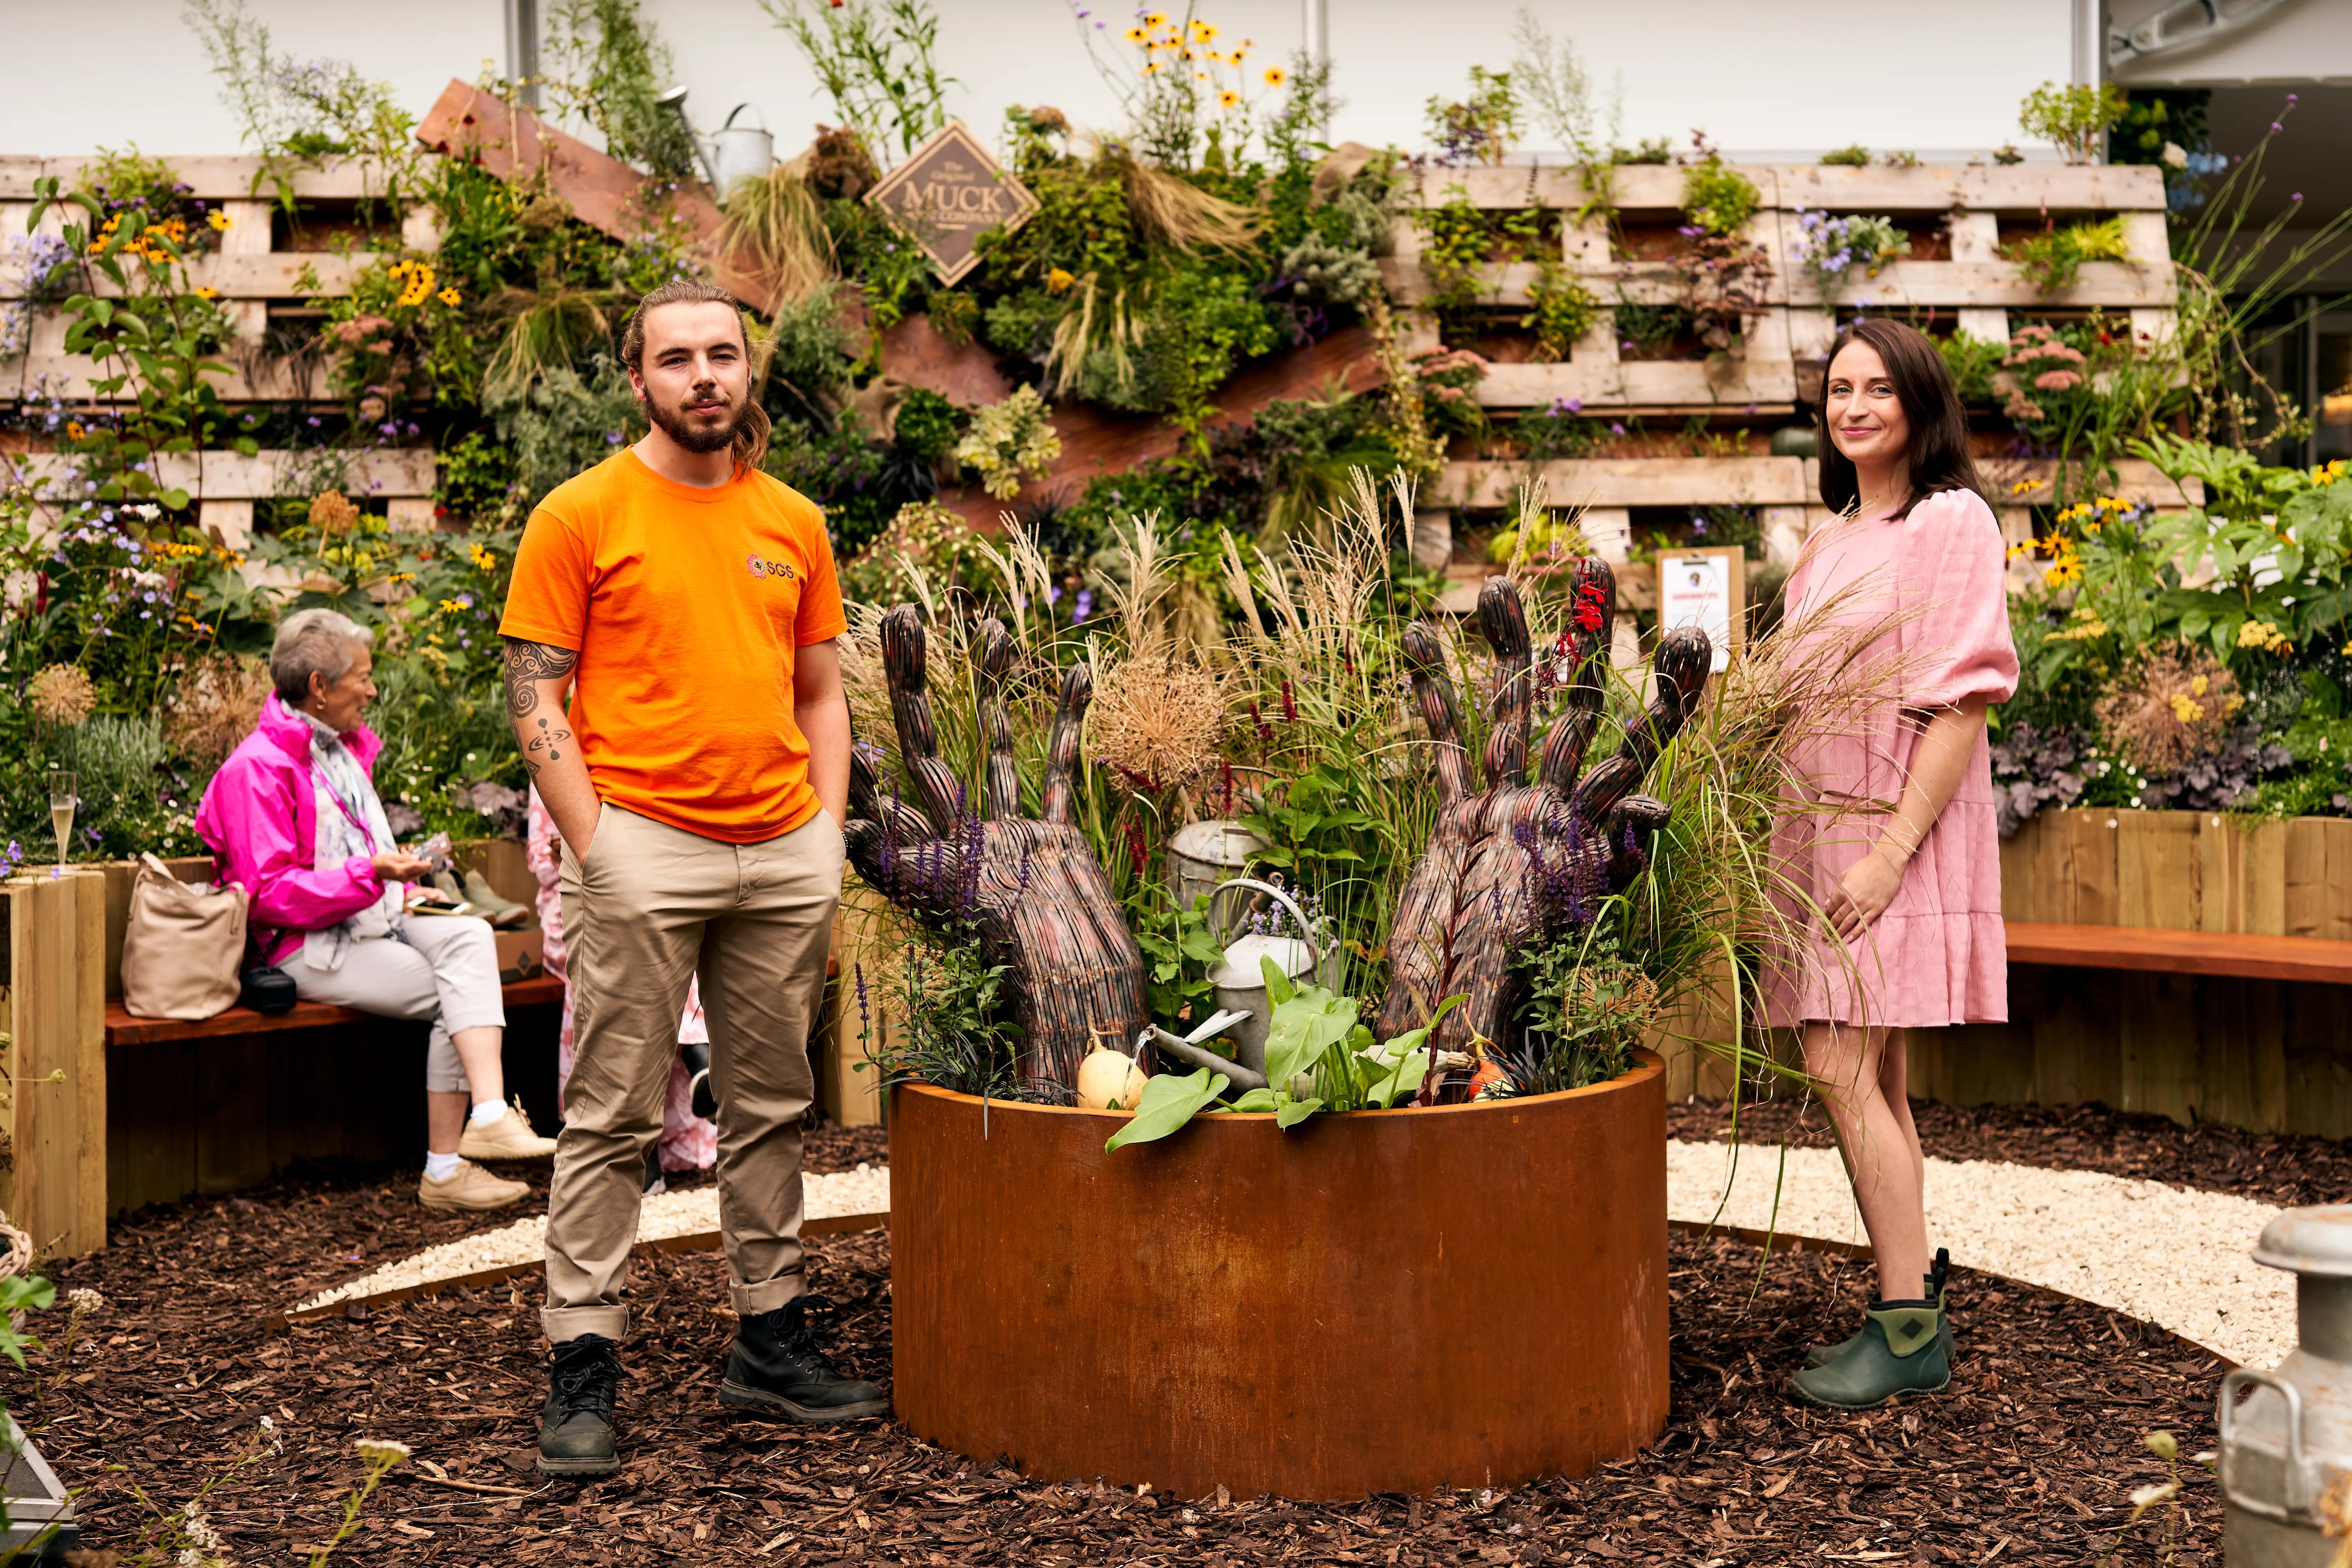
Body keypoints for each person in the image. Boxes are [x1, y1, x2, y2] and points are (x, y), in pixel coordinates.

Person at [500, 278, 882, 1481]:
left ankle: (768, 1344)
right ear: (640, 379)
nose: (704, 376)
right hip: (642, 842)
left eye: (723, 354)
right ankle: (583, 1366)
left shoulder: (793, 521)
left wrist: (823, 835)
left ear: (745, 372)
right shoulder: (580, 513)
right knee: (609, 1113)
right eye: (678, 359)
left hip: (781, 848)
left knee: (767, 1108)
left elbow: (820, 691)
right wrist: (598, 845)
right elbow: (533, 696)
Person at [1763, 318, 2018, 1410]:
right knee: (1875, 1076)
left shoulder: (1947, 518)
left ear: (1918, 402)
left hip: (1884, 831)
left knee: (1833, 1066)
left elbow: (1964, 695)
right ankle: (1907, 1290)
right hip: (1813, 829)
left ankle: (1906, 1325)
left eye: (1876, 387)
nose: (1853, 405)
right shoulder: (1826, 538)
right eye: (1837, 388)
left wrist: (1887, 855)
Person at [195, 607, 559, 1212]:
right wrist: (374, 873)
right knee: (459, 994)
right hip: (297, 947)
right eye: (361, 677)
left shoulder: (335, 752)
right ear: (320, 686)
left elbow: (350, 857)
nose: (371, 689)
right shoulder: (257, 768)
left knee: (468, 937)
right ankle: (445, 1170)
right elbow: (267, 896)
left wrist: (404, 886)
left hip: (366, 920)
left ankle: (491, 1112)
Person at [525, 785, 718, 1192]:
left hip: (651, 889)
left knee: (659, 937)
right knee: (632, 948)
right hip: (578, 894)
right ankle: (702, 1057)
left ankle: (642, 1156)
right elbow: (542, 859)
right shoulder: (552, 742)